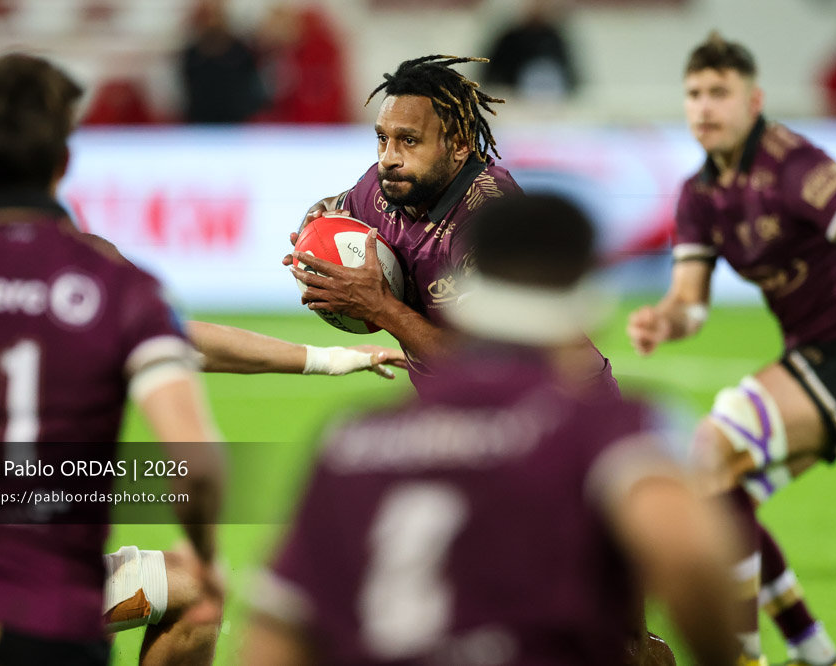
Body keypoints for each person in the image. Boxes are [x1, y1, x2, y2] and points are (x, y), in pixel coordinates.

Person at [245, 193, 739, 666]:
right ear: (586, 296)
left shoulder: (351, 440)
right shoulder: (602, 429)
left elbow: (278, 629)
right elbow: (688, 556)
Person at [0, 53, 223, 666]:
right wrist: (205, 551)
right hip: (50, 620)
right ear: (64, 161)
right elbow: (196, 466)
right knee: (197, 595)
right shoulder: (118, 288)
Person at [627, 33, 836, 666]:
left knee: (710, 449)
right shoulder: (698, 195)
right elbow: (693, 303)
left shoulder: (795, 166)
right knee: (727, 494)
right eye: (694, 94)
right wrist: (664, 319)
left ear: (754, 100)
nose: (705, 107)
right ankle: (817, 652)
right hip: (819, 356)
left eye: (719, 93)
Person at [287, 55, 607, 392]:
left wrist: (380, 307)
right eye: (383, 138)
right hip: (466, 410)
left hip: (560, 406)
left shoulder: (490, 217)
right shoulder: (382, 188)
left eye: (408, 140)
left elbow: (488, 363)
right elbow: (332, 207)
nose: (388, 158)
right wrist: (313, 231)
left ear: (459, 145)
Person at [484, 0, 579, 101]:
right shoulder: (509, 39)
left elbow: (569, 77)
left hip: (552, 102)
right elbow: (493, 77)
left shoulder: (555, 38)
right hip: (515, 101)